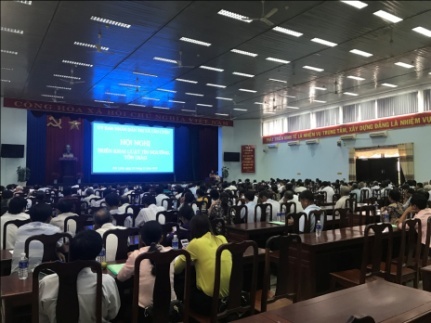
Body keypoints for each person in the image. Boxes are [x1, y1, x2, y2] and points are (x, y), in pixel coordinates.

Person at [38, 230, 121, 323]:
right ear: (97, 253)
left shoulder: (46, 282)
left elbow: (41, 317)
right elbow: (113, 313)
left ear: (70, 249)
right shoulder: (106, 281)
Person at [117, 221, 176, 320]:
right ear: (161, 237)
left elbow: (120, 278)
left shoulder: (136, 255)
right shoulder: (171, 253)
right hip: (171, 308)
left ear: (141, 238)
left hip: (145, 312)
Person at [174, 214, 232, 315]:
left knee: (180, 286)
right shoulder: (222, 238)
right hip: (230, 298)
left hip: (209, 303)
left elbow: (176, 269)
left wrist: (184, 253)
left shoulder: (195, 243)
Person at [11, 203, 66, 273]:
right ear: (49, 218)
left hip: (19, 272)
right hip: (41, 273)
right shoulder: (55, 230)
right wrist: (57, 251)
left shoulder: (20, 230)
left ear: (30, 218)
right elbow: (62, 248)